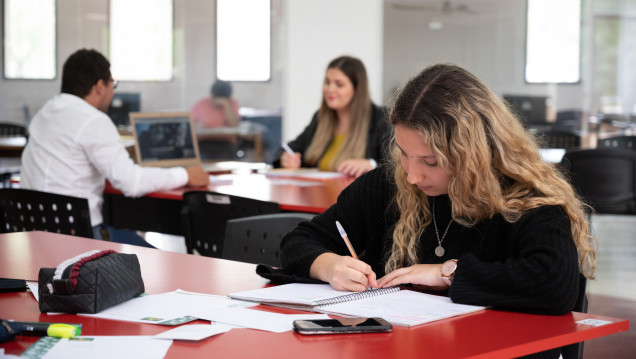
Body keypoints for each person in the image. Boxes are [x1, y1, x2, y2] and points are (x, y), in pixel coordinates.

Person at [280, 64, 596, 357]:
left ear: (472, 153)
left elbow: (555, 282)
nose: (413, 176)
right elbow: (299, 240)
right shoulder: (389, 185)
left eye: (431, 162)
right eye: (404, 154)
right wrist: (329, 265)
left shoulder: (525, 197)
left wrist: (446, 273)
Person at [20, 49, 209, 247]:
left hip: (34, 237)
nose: (112, 91)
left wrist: (126, 151)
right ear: (100, 86)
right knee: (166, 263)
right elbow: (132, 182)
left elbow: (71, 151)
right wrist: (186, 175)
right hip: (78, 240)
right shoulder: (93, 120)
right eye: (113, 84)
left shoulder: (45, 113)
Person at [273, 56, 389, 178]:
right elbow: (289, 149)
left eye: (339, 84)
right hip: (317, 194)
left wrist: (371, 164)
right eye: (327, 82)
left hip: (355, 196)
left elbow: (397, 165)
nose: (330, 89)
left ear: (357, 89)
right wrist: (285, 159)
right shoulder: (320, 118)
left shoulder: (381, 118)